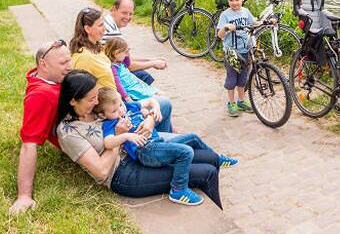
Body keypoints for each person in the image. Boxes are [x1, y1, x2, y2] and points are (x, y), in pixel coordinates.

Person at [56, 70, 226, 207]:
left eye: (96, 96)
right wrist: (119, 136)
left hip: (142, 149)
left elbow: (135, 109)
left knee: (211, 158)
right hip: (123, 172)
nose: (96, 101)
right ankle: (219, 225)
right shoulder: (69, 131)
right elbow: (101, 171)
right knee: (207, 173)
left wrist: (150, 120)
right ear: (73, 101)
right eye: (91, 99)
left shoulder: (96, 108)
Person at [95, 88, 237, 206]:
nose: (120, 111)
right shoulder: (110, 124)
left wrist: (155, 109)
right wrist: (126, 136)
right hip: (146, 151)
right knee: (185, 152)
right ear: (102, 115)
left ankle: (216, 159)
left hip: (158, 143)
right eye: (114, 111)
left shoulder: (129, 107)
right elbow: (108, 143)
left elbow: (151, 100)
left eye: (120, 105)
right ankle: (178, 189)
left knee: (193, 137)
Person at [71, 7, 173, 132]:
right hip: (110, 108)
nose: (105, 28)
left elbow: (124, 60)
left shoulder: (97, 48)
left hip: (119, 101)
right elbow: (84, 94)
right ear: (87, 29)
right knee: (164, 104)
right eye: (100, 25)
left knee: (160, 101)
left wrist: (151, 60)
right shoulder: (84, 57)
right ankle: (161, 139)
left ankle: (164, 136)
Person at [9, 40, 73, 214]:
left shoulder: (51, 78)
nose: (69, 66)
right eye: (63, 63)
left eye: (69, 60)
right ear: (43, 64)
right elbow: (29, 144)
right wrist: (24, 195)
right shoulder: (41, 95)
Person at [102, 0, 167, 85]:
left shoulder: (108, 22)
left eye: (130, 14)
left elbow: (124, 56)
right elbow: (129, 65)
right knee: (143, 76)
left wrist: (150, 59)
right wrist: (153, 63)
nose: (127, 17)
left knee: (142, 75)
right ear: (113, 9)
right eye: (124, 13)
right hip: (107, 74)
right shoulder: (111, 31)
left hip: (107, 68)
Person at [216, 0, 256, 117]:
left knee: (243, 79)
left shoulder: (246, 12)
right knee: (232, 79)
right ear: (227, 0)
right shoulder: (225, 15)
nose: (234, 3)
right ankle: (231, 102)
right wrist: (226, 27)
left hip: (245, 50)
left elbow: (253, 23)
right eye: (231, 0)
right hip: (231, 53)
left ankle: (241, 101)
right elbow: (219, 35)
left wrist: (265, 21)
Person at [104, 37, 159, 101]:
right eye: (125, 52)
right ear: (116, 54)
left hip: (135, 85)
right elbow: (118, 84)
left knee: (158, 93)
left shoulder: (120, 62)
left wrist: (127, 53)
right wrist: (126, 97)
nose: (127, 54)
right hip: (131, 90)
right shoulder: (113, 67)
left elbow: (128, 63)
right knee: (157, 96)